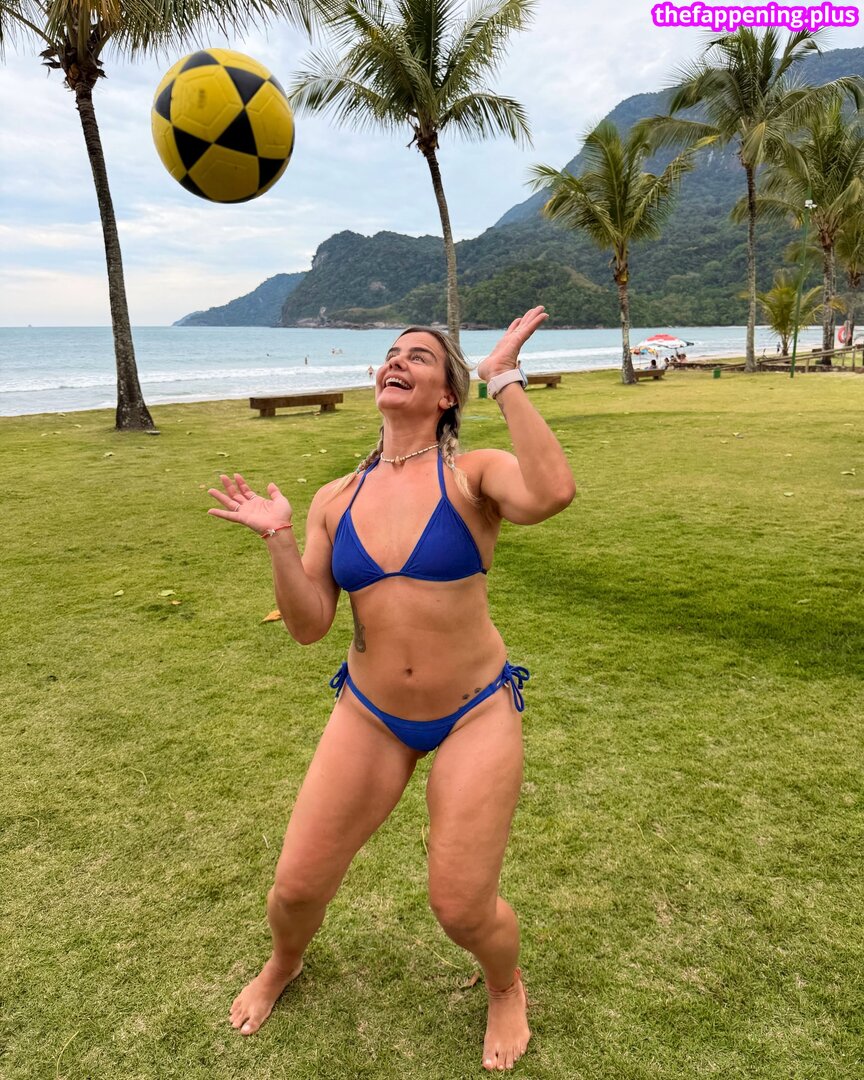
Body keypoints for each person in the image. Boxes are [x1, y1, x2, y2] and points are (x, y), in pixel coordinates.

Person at [207, 307, 576, 1072]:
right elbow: (309, 625)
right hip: (371, 715)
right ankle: (284, 963)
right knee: (295, 888)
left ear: (446, 395)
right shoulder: (335, 498)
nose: (397, 361)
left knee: (461, 907)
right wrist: (278, 539)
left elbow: (551, 493)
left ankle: (504, 985)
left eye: (419, 356)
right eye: (391, 354)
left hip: (474, 710)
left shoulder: (472, 475)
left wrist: (504, 376)